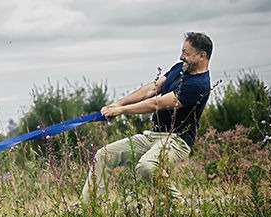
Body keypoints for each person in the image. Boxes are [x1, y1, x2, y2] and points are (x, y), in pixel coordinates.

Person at [81, 32, 213, 205]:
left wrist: (122, 111)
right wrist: (117, 104)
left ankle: (181, 206)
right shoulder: (180, 68)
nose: (182, 56)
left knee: (147, 167)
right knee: (103, 155)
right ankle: (88, 209)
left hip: (177, 140)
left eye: (186, 53)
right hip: (153, 135)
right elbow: (152, 89)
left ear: (202, 56)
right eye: (182, 51)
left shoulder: (199, 85)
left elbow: (156, 103)